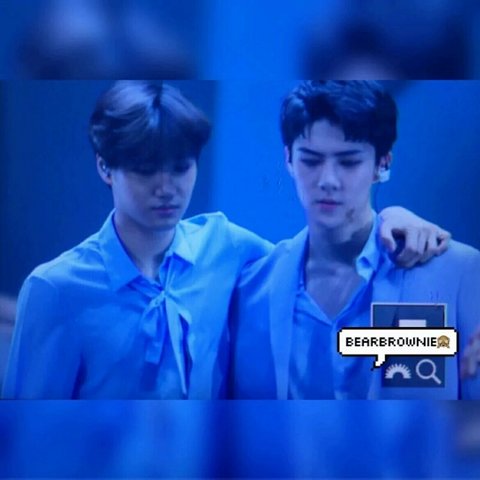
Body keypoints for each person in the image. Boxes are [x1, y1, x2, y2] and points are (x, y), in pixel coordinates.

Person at [2, 81, 450, 399]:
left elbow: (314, 260)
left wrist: (392, 215)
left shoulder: (225, 248)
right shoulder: (56, 288)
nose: (167, 188)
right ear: (105, 167)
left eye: (181, 168)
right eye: (145, 170)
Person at [229, 80, 480, 399]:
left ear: (382, 164)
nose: (328, 180)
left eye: (348, 162)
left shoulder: (455, 273)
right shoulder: (250, 290)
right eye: (311, 160)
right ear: (289, 159)